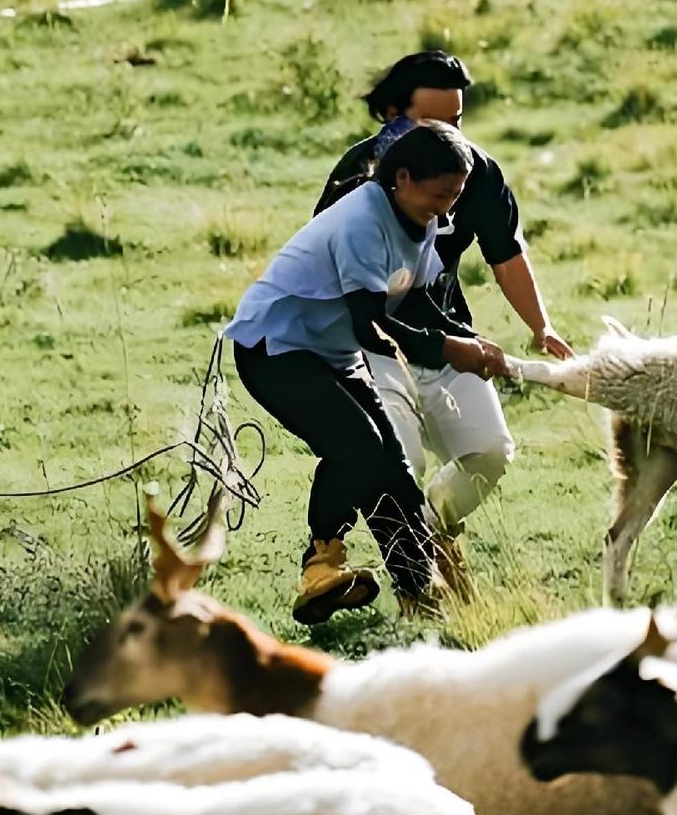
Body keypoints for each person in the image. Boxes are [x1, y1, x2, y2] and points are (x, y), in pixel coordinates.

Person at [225, 121, 511, 624]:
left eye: (456, 197)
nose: (447, 209)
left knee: (395, 469)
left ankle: (420, 596)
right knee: (357, 446)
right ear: (402, 178)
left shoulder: (421, 222)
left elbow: (415, 299)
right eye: (440, 194)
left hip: (329, 353)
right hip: (275, 348)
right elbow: (371, 323)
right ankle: (321, 567)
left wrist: (465, 340)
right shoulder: (363, 220)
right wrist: (448, 350)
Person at [313, 51, 574, 578]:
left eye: (454, 121)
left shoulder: (476, 171)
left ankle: (429, 532)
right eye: (428, 121)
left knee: (491, 452)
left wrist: (539, 326)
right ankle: (414, 579)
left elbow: (506, 253)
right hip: (372, 344)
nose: (446, 133)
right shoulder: (357, 177)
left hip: (446, 335)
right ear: (392, 115)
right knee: (400, 458)